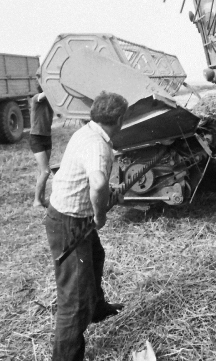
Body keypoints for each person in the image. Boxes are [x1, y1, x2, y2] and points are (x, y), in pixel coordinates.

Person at [45, 91, 128, 361]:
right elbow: (98, 184)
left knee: (95, 257)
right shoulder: (98, 146)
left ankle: (97, 309)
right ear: (118, 119)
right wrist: (101, 215)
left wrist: (110, 191)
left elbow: (96, 183)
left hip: (68, 214)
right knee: (74, 300)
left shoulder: (87, 132)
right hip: (70, 222)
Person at [30, 74, 54, 208]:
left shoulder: (51, 102)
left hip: (47, 137)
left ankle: (42, 199)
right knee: (46, 171)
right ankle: (36, 201)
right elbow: (44, 94)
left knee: (42, 171)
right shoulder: (36, 99)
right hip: (36, 138)